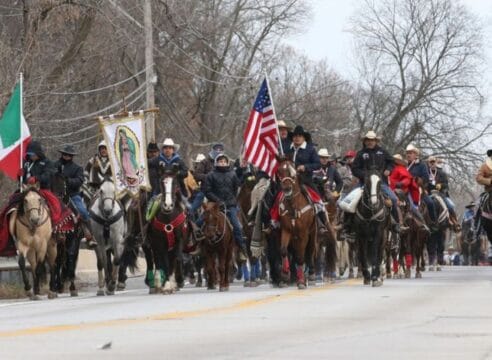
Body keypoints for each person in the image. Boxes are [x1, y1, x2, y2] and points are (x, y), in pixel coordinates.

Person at [351, 130, 404, 233]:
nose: (370, 142)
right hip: (364, 183)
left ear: (376, 141)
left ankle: (396, 224)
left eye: (372, 140)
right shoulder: (361, 153)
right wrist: (364, 175)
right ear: (365, 141)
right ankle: (347, 226)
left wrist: (388, 169)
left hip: (381, 183)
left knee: (393, 199)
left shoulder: (382, 152)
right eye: (368, 140)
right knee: (349, 200)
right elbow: (354, 168)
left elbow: (391, 162)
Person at [203, 153, 248, 256]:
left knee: (236, 225)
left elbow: (236, 188)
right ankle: (198, 243)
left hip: (229, 205)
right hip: (214, 204)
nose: (222, 163)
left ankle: (241, 248)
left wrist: (242, 170)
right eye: (220, 161)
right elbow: (208, 190)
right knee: (202, 220)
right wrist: (217, 201)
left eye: (224, 161)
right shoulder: (211, 175)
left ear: (227, 162)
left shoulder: (232, 174)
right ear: (216, 162)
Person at [54, 145, 96, 248]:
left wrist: (67, 180)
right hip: (56, 195)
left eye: (69, 155)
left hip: (72, 194)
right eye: (65, 154)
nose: (66, 156)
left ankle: (90, 236)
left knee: (83, 212)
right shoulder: (54, 165)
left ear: (72, 156)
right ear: (62, 154)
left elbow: (80, 181)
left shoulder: (77, 168)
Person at [389, 154, 428, 231]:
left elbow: (408, 179)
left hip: (401, 191)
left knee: (412, 207)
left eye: (396, 160)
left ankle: (422, 223)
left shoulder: (401, 169)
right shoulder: (388, 168)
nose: (394, 162)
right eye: (394, 160)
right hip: (388, 189)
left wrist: (401, 184)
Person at [406, 144, 437, 225]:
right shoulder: (405, 165)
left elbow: (426, 178)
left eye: (411, 153)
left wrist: (417, 180)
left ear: (416, 154)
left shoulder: (421, 164)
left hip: (417, 188)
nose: (408, 154)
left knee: (430, 203)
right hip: (405, 189)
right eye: (407, 153)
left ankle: (433, 223)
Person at [427, 156, 459, 229]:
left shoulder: (442, 173)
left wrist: (440, 185)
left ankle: (455, 222)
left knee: (450, 206)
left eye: (433, 162)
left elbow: (446, 185)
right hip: (429, 194)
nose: (432, 164)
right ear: (428, 164)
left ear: (436, 163)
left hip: (440, 194)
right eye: (430, 162)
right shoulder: (426, 173)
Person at [191, 143, 224, 215]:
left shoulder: (225, 163)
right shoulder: (205, 162)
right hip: (205, 191)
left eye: (220, 151)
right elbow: (196, 175)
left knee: (233, 210)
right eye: (216, 150)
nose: (218, 152)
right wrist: (209, 177)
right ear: (213, 151)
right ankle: (191, 223)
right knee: (192, 210)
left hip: (220, 193)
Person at [474, 149, 492, 238]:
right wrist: (490, 181)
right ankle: (476, 227)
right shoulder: (484, 166)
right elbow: (478, 178)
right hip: (489, 191)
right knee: (478, 204)